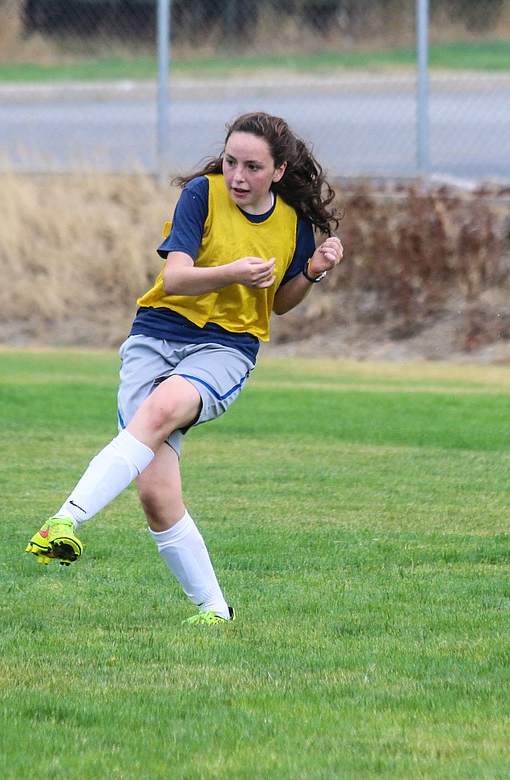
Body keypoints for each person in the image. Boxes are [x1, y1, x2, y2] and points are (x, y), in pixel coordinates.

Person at [25, 111, 344, 625]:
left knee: (165, 405)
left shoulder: (295, 223)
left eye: (253, 167)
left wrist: (312, 272)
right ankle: (215, 612)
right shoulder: (202, 194)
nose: (238, 176)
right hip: (158, 335)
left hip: (227, 346)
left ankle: (63, 520)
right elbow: (175, 280)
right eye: (232, 161)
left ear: (280, 171)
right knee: (155, 493)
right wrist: (233, 272)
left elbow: (280, 304)